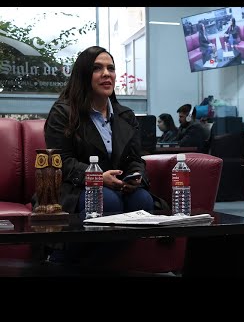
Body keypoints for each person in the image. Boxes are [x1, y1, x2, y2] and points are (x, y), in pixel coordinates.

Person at [41, 46, 164, 216]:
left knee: (142, 200)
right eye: (97, 68)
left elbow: (136, 158)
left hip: (119, 186)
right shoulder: (63, 113)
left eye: (111, 68)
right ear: (83, 75)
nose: (106, 73)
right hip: (75, 188)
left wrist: (136, 176)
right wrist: (97, 177)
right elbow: (61, 161)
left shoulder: (126, 116)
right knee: (106, 200)